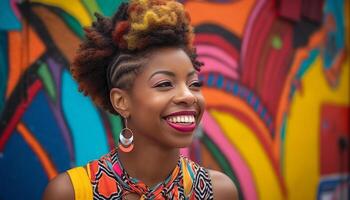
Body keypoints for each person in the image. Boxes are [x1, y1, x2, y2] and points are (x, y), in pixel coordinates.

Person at [43, 0, 237, 199]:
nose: (188, 96)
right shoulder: (71, 193)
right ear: (121, 102)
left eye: (194, 84)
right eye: (164, 84)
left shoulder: (218, 191)